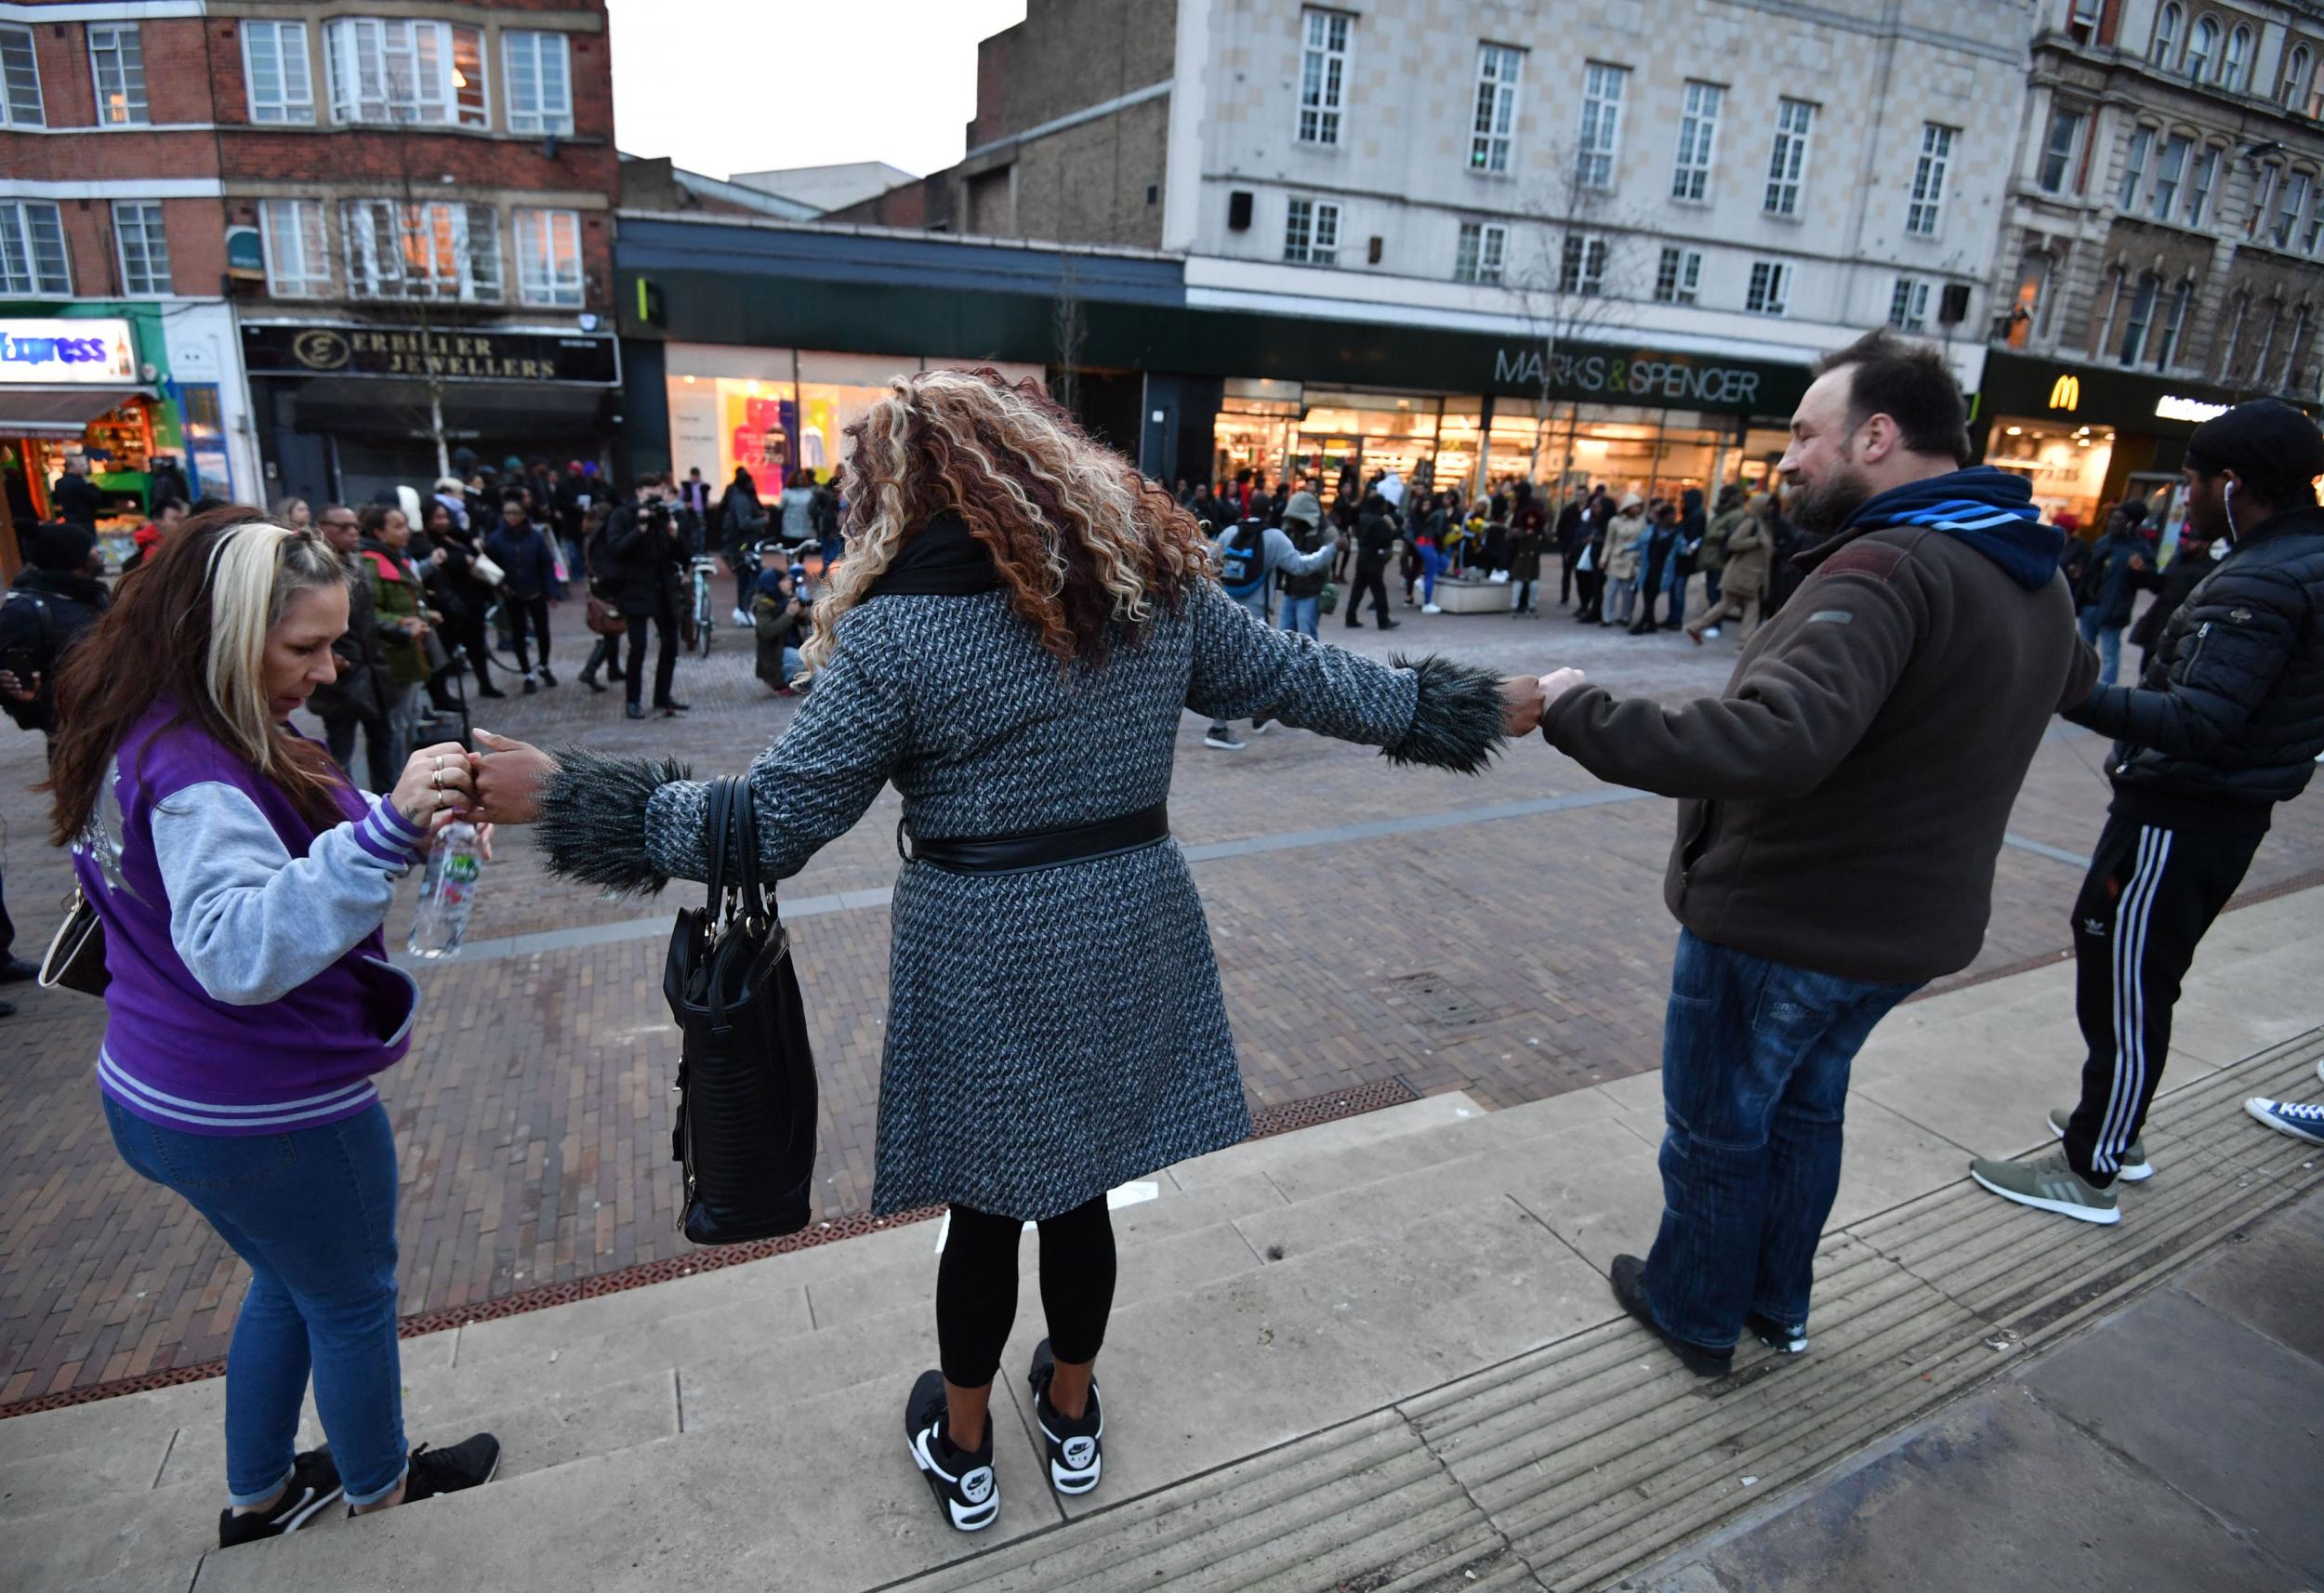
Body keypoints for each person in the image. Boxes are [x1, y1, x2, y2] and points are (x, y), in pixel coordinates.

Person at [464, 367, 1524, 1536]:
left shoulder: (896, 634)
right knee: (1082, 1191)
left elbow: (765, 828)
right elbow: (1316, 681)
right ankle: (1069, 1413)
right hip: (1129, 921)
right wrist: (1481, 707)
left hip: (981, 946)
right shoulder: (1146, 594)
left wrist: (567, 797)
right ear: (1040, 466)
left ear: (906, 495)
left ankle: (963, 1445)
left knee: (984, 1209)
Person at [1532, 329, 2094, 1376]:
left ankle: (1695, 1308)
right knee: (1802, 1110)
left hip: (1786, 920)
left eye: (1804, 434)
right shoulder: (2024, 566)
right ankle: (1775, 1306)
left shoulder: (1886, 566)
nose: (1783, 459)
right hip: (1899, 934)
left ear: (1877, 435)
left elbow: (1777, 738)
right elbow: (2071, 677)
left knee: (1717, 1129)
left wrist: (1580, 710)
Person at [42, 507, 499, 1547]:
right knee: (347, 1296)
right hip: (265, 1107)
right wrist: (385, 831)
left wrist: (395, 836)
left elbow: (262, 875)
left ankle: (257, 1495)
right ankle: (379, 1494)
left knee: (291, 1281)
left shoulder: (152, 723)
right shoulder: (202, 770)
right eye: (305, 645)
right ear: (221, 632)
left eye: (334, 642)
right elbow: (239, 946)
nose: (330, 668)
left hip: (161, 1088)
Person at [1971, 401, 2324, 1223]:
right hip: (2208, 812)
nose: (2185, 500)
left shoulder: (2266, 580)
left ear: (2234, 485)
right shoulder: (2296, 561)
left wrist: (2076, 691)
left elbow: (2200, 720)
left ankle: (2093, 1166)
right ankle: (2111, 1122)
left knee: (2129, 984)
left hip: (2181, 815)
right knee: (2125, 968)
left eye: (2194, 484)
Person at [1204, 494, 1337, 750]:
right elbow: (1301, 566)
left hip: (1227, 610)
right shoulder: (1274, 538)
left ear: (1247, 507)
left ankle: (1251, 716)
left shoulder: (1230, 533)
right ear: (1269, 513)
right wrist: (1330, 551)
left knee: (1233, 667)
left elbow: (1210, 563)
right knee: (1251, 668)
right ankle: (1222, 727)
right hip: (1256, 617)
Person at [307, 506, 399, 794]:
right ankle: (341, 806)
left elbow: (370, 618)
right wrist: (327, 657)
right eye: (344, 527)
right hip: (340, 675)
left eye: (355, 527)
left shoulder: (357, 563)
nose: (353, 532)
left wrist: (401, 629)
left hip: (373, 670)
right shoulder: (311, 567)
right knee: (339, 752)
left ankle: (390, 803)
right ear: (323, 527)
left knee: (384, 743)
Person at [0, 520, 111, 738]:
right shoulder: (25, 611)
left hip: (112, 725)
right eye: (90, 547)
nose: (98, 552)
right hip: (74, 737)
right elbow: (19, 691)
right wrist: (23, 696)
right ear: (74, 558)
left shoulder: (91, 596)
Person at [355, 504, 435, 768]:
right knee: (397, 724)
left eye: (405, 525)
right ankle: (399, 780)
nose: (406, 532)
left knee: (408, 718)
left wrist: (423, 616)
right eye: (397, 526)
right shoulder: (371, 563)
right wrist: (402, 622)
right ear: (378, 531)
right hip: (394, 656)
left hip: (408, 651)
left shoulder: (393, 557)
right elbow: (370, 610)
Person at [609, 477, 688, 720]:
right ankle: (632, 701)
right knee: (638, 647)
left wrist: (674, 535)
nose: (655, 501)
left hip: (663, 589)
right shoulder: (623, 515)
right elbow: (616, 550)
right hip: (635, 590)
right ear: (638, 492)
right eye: (650, 496)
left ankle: (662, 696)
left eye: (659, 495)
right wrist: (639, 529)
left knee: (670, 644)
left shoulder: (662, 517)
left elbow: (683, 557)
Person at [486, 493, 559, 694]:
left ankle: (543, 665)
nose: (511, 517)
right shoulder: (496, 538)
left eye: (515, 513)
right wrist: (501, 586)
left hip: (535, 591)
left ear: (523, 514)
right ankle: (527, 672)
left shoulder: (534, 536)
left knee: (542, 631)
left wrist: (551, 590)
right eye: (507, 513)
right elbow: (491, 567)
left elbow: (546, 563)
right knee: (518, 633)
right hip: (512, 594)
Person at [2125, 520, 2218, 677]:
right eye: (2185, 538)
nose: (2186, 543)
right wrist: (2140, 572)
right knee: (2147, 670)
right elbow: (2161, 586)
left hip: (2182, 631)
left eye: (2192, 540)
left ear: (2205, 544)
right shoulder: (2179, 560)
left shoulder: (2209, 569)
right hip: (2159, 626)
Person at [2073, 503, 2147, 687]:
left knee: (2109, 654)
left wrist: (2139, 571)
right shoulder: (2104, 541)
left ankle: (2106, 689)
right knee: (2084, 651)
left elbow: (2150, 580)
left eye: (2118, 519)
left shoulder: (2139, 548)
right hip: (2091, 604)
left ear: (2130, 523)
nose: (2112, 523)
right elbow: (2090, 572)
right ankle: (2078, 686)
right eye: (2112, 518)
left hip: (2114, 608)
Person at [1684, 493, 1774, 645]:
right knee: (1748, 605)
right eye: (1769, 505)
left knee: (1728, 604)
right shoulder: (1751, 523)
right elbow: (1733, 543)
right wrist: (1755, 541)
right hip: (1742, 574)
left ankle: (1696, 626)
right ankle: (1744, 640)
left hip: (1750, 575)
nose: (1771, 509)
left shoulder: (1762, 524)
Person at [751, 542, 811, 693]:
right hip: (775, 656)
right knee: (808, 664)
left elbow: (804, 623)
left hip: (789, 648)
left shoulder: (785, 599)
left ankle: (804, 684)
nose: (789, 582)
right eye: (784, 581)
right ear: (774, 584)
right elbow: (766, 632)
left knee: (817, 658)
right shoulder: (764, 604)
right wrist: (789, 614)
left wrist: (802, 616)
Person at [1275, 490, 1332, 641]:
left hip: (1310, 592)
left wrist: (1300, 560)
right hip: (1291, 590)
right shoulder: (1291, 531)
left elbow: (1324, 565)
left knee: (1307, 639)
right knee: (1283, 637)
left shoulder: (1324, 532)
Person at [1345, 490, 1402, 632]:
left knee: (1357, 589)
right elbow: (1384, 540)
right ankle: (1383, 619)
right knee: (1379, 590)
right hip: (1373, 559)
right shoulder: (1378, 521)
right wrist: (1398, 532)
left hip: (1362, 557)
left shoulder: (1363, 518)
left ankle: (1350, 617)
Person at [1697, 482, 1746, 634]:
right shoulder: (1722, 513)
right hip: (1712, 559)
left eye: (1723, 495)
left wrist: (1715, 535)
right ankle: (1712, 622)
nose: (1720, 497)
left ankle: (1715, 624)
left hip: (1721, 559)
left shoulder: (1736, 515)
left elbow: (1731, 537)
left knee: (1716, 594)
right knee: (1711, 592)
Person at [720, 467, 767, 622]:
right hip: (743, 544)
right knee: (750, 576)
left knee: (747, 577)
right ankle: (744, 608)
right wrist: (762, 520)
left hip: (744, 543)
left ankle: (743, 609)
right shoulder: (741, 499)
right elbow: (744, 523)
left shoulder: (743, 497)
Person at [1631, 501, 1681, 634]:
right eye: (1672, 515)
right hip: (1649, 568)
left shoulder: (1676, 534)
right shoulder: (1651, 530)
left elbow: (1683, 549)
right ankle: (1651, 623)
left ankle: (1643, 623)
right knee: (1648, 595)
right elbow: (1639, 544)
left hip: (1662, 570)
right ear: (1664, 517)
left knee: (1651, 597)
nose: (1674, 518)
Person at [1600, 493, 1647, 628]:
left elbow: (1643, 540)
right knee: (1610, 591)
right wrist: (1604, 558)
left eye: (1639, 506)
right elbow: (1609, 542)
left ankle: (1626, 616)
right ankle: (1607, 617)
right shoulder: (1614, 522)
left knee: (1628, 593)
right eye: (1635, 506)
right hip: (1616, 559)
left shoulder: (1642, 521)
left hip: (1632, 560)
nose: (1637, 509)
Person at [124, 496, 188, 573]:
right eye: (175, 519)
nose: (181, 523)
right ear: (158, 521)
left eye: (183, 519)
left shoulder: (175, 541)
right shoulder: (141, 543)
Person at [1508, 504, 1544, 617]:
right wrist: (1523, 534)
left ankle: (1531, 605)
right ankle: (1514, 605)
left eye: (1533, 518)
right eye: (1529, 518)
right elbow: (1513, 538)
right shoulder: (1521, 531)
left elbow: (1545, 541)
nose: (1531, 520)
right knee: (1518, 583)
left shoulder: (1538, 533)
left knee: (1534, 585)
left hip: (1533, 562)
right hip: (1522, 561)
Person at [50, 457, 102, 528]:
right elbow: (96, 497)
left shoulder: (59, 483)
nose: (85, 467)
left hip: (69, 521)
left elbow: (56, 500)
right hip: (85, 521)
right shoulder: (82, 483)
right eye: (83, 465)